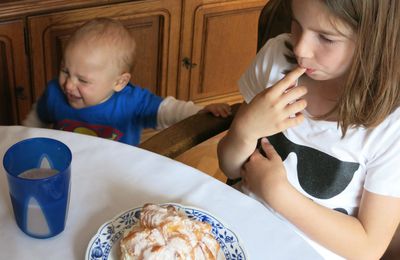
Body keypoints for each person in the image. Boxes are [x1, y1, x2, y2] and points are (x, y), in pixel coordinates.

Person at [218, 0, 400, 259]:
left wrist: (277, 193)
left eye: (326, 38)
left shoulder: (391, 125)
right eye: (296, 24)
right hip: (236, 227)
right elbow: (230, 168)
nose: (301, 49)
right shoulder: (276, 60)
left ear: (374, 39)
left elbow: (368, 248)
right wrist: (245, 130)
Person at [23, 17, 231, 146]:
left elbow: (169, 110)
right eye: (65, 71)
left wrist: (199, 113)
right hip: (70, 169)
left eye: (83, 80)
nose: (68, 85)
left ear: (119, 82)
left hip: (118, 172)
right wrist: (24, 140)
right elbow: (35, 120)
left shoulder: (133, 102)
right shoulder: (54, 93)